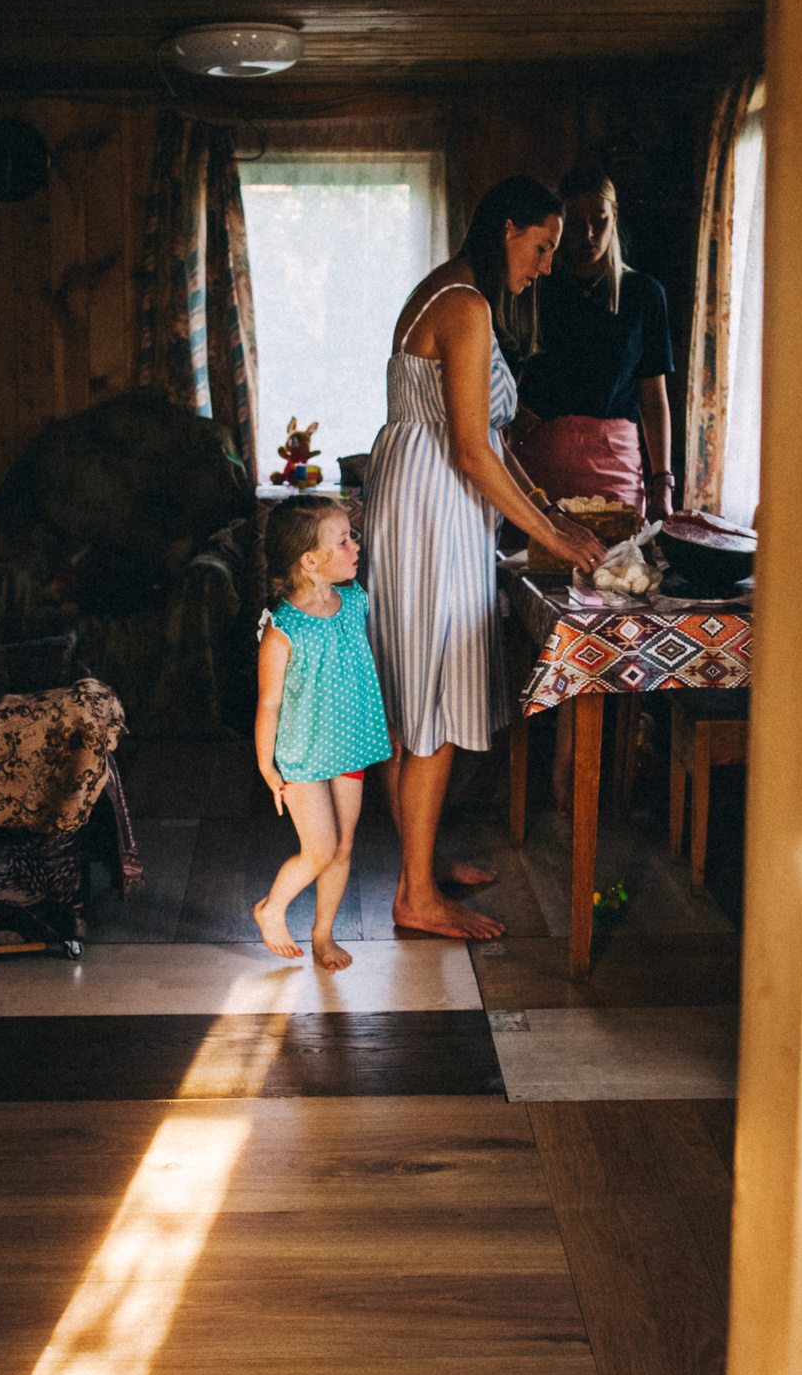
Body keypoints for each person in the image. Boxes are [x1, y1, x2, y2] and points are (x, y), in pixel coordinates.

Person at [365, 175, 605, 939]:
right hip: (434, 506)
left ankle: (420, 863)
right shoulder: (465, 305)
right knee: (432, 691)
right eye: (541, 247)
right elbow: (470, 450)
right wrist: (552, 536)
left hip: (417, 496)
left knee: (412, 692)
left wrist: (543, 504)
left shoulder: (446, 289)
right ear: (507, 229)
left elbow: (489, 437)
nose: (546, 265)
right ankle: (416, 896)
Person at [252, 494, 393, 970]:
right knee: (320, 849)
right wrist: (266, 765)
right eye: (344, 540)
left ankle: (322, 934)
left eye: (352, 536)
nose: (356, 546)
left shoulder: (354, 602)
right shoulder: (282, 629)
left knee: (344, 845)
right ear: (310, 561)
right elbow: (269, 704)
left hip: (350, 743)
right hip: (303, 755)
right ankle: (271, 909)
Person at [505, 167, 678, 520]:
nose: (587, 235)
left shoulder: (643, 294)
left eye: (598, 220)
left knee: (616, 552)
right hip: (540, 456)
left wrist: (663, 484)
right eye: (574, 222)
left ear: (614, 214)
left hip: (615, 462)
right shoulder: (534, 288)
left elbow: (653, 397)